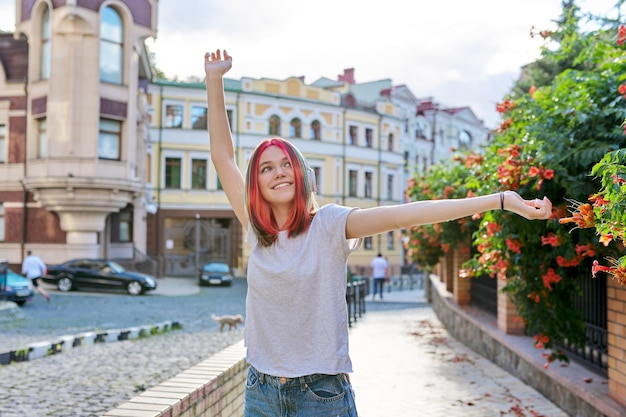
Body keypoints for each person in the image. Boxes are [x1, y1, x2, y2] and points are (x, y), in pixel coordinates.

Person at [204, 49, 552, 417]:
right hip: (260, 390)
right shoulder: (257, 232)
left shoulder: (330, 224)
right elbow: (222, 157)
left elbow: (407, 215)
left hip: (319, 394)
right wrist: (214, 80)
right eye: (267, 168)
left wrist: (500, 200)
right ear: (255, 182)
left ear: (302, 174)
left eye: (287, 164)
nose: (279, 172)